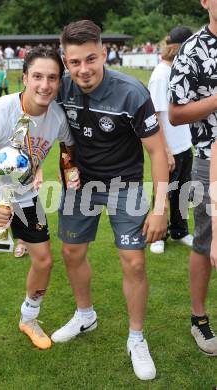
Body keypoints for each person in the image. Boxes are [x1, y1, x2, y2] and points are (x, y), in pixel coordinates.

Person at [51, 20, 169, 381]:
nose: (83, 69)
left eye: (91, 58)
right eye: (74, 62)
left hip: (124, 184)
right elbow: (27, 110)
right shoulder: (61, 87)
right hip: (79, 185)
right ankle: (85, 315)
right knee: (71, 252)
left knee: (133, 262)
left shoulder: (131, 92)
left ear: (104, 53)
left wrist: (160, 208)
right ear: (65, 61)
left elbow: (158, 151)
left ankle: (136, 338)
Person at [0, 47, 78, 380]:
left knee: (44, 260)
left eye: (52, 77)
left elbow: (68, 149)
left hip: (25, 197)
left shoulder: (57, 119)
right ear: (24, 78)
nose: (45, 84)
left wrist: (71, 169)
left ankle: (28, 318)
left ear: (58, 82)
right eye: (37, 76)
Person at [169, 0, 217, 356]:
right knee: (206, 241)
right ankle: (199, 318)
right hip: (208, 160)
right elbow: (175, 113)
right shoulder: (193, 49)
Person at [148, 26, 194, 254]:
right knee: (164, 191)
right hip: (169, 148)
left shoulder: (179, 70)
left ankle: (180, 230)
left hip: (185, 144)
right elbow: (154, 117)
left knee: (182, 191)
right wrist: (164, 152)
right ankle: (159, 235)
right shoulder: (160, 75)